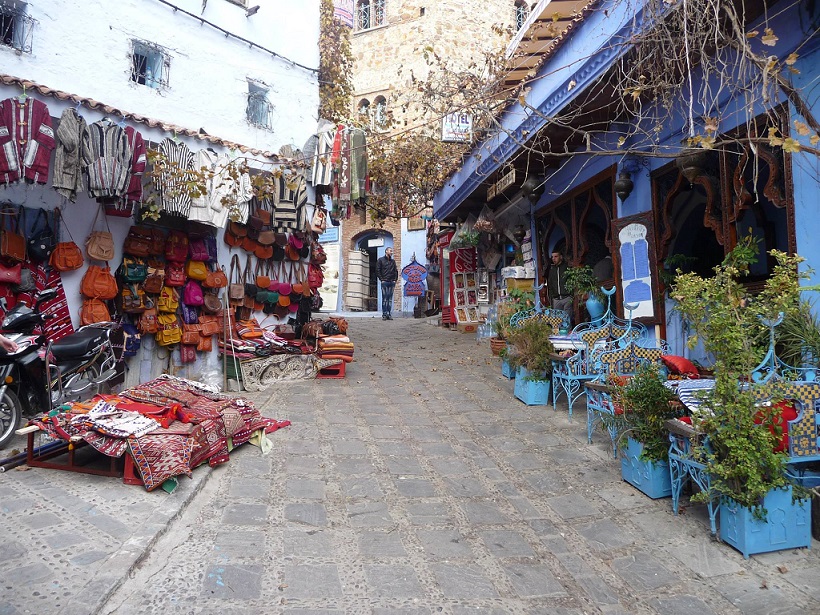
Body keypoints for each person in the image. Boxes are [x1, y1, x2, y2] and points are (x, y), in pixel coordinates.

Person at [547, 250, 573, 317]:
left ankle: (569, 328)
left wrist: (571, 295)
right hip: (556, 299)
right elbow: (550, 284)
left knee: (567, 319)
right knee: (557, 320)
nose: (554, 259)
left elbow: (571, 280)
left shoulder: (566, 267)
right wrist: (552, 297)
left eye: (556, 256)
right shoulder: (552, 270)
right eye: (552, 257)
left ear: (561, 257)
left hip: (567, 297)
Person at [376, 247, 398, 320]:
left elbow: (396, 271)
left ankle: (389, 314)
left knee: (390, 299)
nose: (391, 252)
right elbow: (377, 270)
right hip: (385, 282)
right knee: (385, 299)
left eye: (392, 251)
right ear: (386, 251)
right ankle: (384, 314)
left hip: (392, 282)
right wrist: (382, 279)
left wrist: (395, 280)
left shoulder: (393, 261)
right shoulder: (380, 260)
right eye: (390, 251)